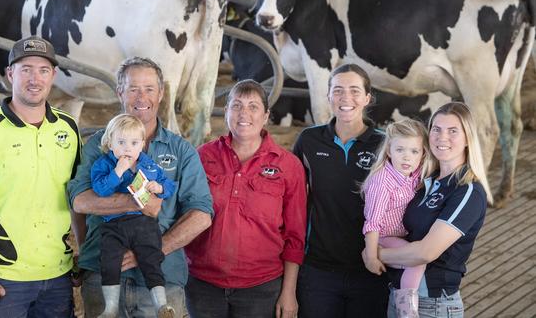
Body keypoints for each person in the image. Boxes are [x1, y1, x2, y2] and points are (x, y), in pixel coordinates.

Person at [68, 57, 213, 318]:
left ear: (161, 94)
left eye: (149, 88)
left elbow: (201, 215)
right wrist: (138, 202)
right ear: (120, 92)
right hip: (103, 273)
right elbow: (80, 201)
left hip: (162, 276)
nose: (141, 97)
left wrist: (153, 251)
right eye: (133, 88)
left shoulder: (181, 150)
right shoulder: (97, 146)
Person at [0, 36, 80, 317]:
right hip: (2, 277)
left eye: (43, 70)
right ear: (10, 74)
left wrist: (84, 252)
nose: (35, 79)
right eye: (26, 69)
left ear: (53, 76)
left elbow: (76, 197)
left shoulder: (68, 129)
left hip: (58, 273)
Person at [185, 80, 307, 318]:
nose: (244, 113)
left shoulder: (288, 165)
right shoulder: (202, 156)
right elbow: (183, 213)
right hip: (202, 284)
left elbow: (295, 235)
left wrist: (289, 292)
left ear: (266, 115)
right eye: (236, 105)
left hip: (261, 287)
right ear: (227, 111)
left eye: (253, 106)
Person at [376, 102, 491, 318]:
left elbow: (426, 252)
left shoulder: (467, 191)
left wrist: (376, 255)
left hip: (433, 304)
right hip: (399, 294)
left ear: (468, 139)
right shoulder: (424, 181)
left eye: (453, 131)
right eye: (436, 129)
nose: (442, 137)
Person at [292, 63, 388, 318]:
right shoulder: (308, 141)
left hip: (370, 268)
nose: (346, 98)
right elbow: (293, 199)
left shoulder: (385, 144)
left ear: (367, 98)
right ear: (328, 96)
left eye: (355, 90)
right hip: (318, 269)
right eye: (338, 90)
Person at [90, 113, 176, 317]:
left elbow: (170, 185)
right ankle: (110, 308)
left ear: (142, 145)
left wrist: (160, 187)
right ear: (110, 143)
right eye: (121, 142)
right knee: (109, 261)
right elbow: (100, 190)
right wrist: (117, 173)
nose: (128, 148)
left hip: (143, 223)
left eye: (134, 142)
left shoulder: (149, 165)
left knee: (151, 258)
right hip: (114, 222)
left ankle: (161, 305)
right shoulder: (104, 165)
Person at [361, 119, 434, 318]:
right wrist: (372, 256)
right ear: (388, 151)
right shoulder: (382, 181)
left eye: (414, 151)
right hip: (384, 237)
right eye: (400, 149)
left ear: (423, 154)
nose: (406, 157)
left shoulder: (415, 173)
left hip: (400, 236)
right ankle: (407, 312)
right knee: (416, 261)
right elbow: (372, 223)